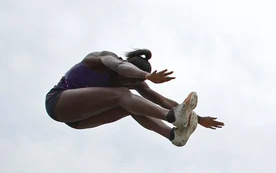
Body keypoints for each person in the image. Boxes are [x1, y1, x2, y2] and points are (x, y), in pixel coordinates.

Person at [45, 49, 224, 147]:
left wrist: (197, 119)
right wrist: (145, 76)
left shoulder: (134, 83)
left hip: (78, 121)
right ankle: (172, 118)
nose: (128, 84)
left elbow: (161, 100)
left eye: (133, 83)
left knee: (130, 106)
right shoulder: (103, 59)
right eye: (127, 81)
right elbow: (120, 67)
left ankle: (173, 135)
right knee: (123, 96)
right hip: (58, 102)